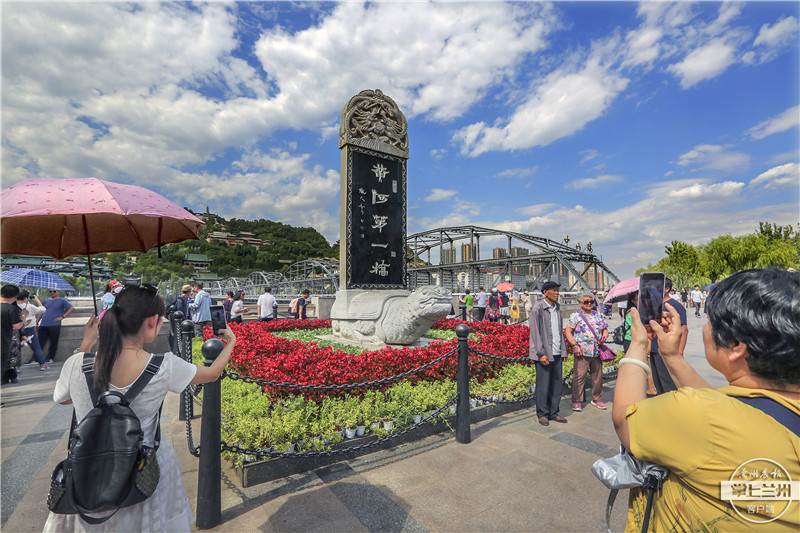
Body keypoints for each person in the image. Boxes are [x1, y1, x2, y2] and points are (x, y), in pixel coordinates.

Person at [612, 269, 800, 532]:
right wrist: (673, 357)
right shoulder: (745, 410)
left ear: (735, 346)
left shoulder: (702, 416)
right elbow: (720, 407)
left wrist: (638, 344)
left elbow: (625, 417)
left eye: (712, 321)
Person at [43, 284, 237, 532]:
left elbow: (64, 399)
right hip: (143, 470)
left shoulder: (76, 363)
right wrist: (230, 342)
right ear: (151, 322)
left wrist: (86, 345)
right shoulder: (164, 365)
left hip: (89, 466)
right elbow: (211, 374)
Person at [528, 281, 567, 426]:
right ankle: (542, 414)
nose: (557, 293)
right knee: (543, 385)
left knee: (556, 384)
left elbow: (560, 330)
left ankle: (553, 412)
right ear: (545, 292)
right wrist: (541, 353)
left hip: (557, 352)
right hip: (544, 354)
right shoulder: (538, 308)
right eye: (554, 290)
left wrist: (563, 350)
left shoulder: (557, 308)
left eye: (557, 290)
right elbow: (535, 333)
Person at [565, 290, 609, 411]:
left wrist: (604, 337)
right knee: (579, 377)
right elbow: (568, 331)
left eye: (591, 301)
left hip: (597, 351)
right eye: (586, 301)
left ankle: (597, 399)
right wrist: (574, 345)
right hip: (582, 351)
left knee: (598, 377)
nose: (589, 303)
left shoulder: (598, 315)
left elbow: (605, 329)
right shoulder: (575, 316)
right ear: (580, 303)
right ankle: (577, 400)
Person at [648, 278, 688, 395]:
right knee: (658, 382)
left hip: (667, 350)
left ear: (667, 289)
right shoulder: (654, 305)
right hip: (655, 349)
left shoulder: (675, 306)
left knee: (669, 384)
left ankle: (674, 408)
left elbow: (684, 330)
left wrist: (680, 352)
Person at [39, 289, 74, 363]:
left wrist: (63, 317)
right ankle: (36, 358)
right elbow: (40, 311)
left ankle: (50, 358)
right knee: (40, 342)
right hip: (43, 324)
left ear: (58, 292)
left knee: (53, 342)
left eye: (54, 291)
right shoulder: (45, 301)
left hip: (54, 325)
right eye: (50, 291)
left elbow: (71, 308)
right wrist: (37, 321)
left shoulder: (62, 301)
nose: (52, 293)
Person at [18, 290, 48, 370]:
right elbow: (42, 309)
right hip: (29, 329)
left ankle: (17, 367)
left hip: (17, 330)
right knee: (36, 347)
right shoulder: (29, 306)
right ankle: (43, 364)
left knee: (16, 348)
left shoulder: (13, 306)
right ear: (25, 298)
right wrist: (37, 300)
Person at [2, 285, 25, 384]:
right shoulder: (12, 309)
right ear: (15, 296)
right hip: (5, 342)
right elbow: (18, 326)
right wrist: (24, 316)